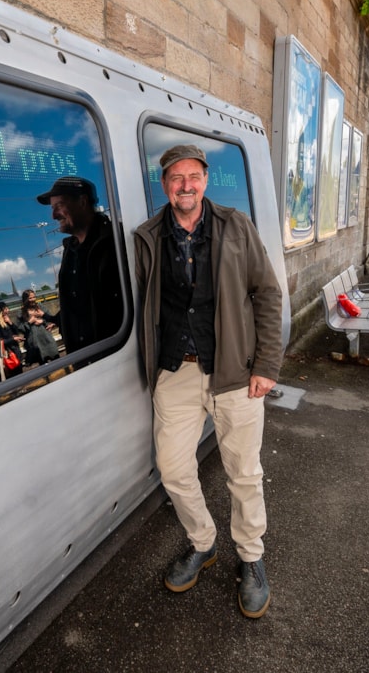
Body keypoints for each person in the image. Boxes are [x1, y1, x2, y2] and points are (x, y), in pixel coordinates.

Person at [134, 143, 284, 619]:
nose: (185, 185)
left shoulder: (235, 225)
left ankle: (252, 559)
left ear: (205, 180)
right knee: (174, 468)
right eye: (176, 178)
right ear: (165, 185)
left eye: (193, 176)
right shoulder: (147, 236)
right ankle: (203, 542)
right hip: (177, 371)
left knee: (244, 473)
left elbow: (267, 293)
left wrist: (267, 365)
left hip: (235, 373)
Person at [35, 176, 124, 354]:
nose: (53, 215)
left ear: (82, 202)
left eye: (59, 206)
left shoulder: (116, 240)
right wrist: (51, 318)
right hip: (84, 363)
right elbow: (79, 309)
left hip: (116, 358)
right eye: (52, 209)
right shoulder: (70, 252)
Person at [18, 288, 59, 366]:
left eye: (34, 297)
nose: (33, 299)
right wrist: (29, 322)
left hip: (47, 339)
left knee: (55, 358)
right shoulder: (21, 312)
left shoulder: (40, 306)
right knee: (43, 363)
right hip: (35, 343)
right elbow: (20, 329)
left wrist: (43, 321)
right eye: (30, 298)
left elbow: (50, 318)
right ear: (25, 299)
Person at [0, 301, 25, 378]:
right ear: (0, 311)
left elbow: (17, 332)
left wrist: (10, 323)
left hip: (15, 352)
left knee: (20, 374)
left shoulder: (7, 321)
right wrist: (13, 339)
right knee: (13, 376)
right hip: (7, 355)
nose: (8, 310)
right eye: (5, 309)